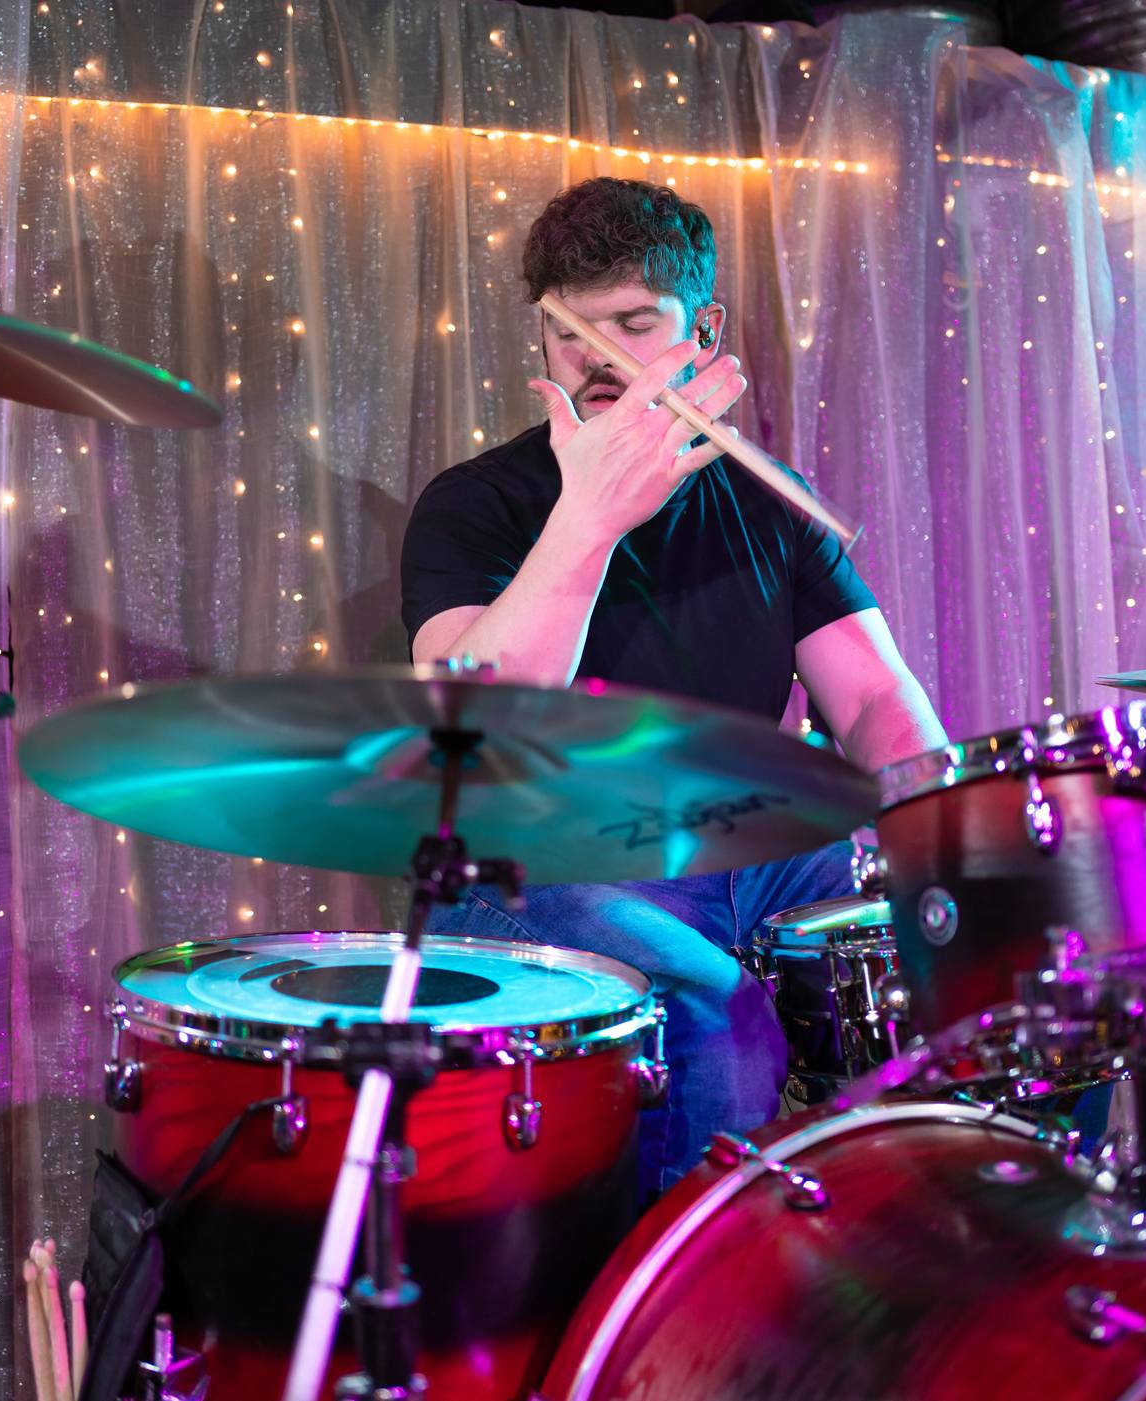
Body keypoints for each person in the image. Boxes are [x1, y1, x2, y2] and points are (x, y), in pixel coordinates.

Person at [398, 177, 946, 1191]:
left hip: (756, 849)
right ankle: (680, 1294)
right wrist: (588, 518)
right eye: (570, 330)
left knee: (986, 960)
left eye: (634, 323)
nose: (598, 358)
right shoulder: (476, 503)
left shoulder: (768, 502)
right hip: (544, 863)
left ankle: (921, 1271)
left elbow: (874, 700)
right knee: (715, 1022)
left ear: (705, 328)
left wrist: (947, 836)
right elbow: (480, 720)